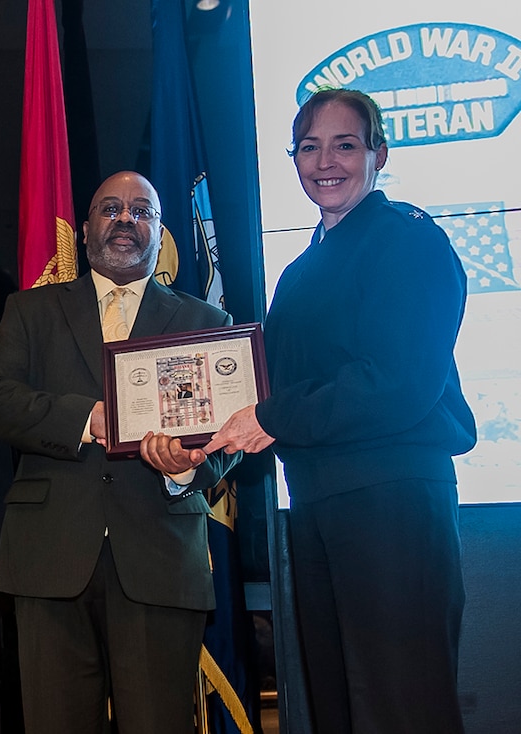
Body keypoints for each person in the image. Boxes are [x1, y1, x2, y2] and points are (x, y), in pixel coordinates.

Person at [205, 88, 476, 733]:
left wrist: (270, 418)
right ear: (293, 160)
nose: (325, 161)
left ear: (378, 153)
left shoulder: (408, 241)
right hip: (320, 508)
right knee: (335, 708)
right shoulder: (299, 272)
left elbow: (397, 382)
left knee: (401, 706)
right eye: (309, 147)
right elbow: (274, 390)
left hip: (393, 506)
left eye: (345, 145)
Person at [0, 171, 240, 734]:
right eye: (111, 209)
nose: (126, 221)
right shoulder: (30, 310)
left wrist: (184, 471)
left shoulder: (204, 322)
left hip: (160, 558)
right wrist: (86, 418)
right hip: (49, 558)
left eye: (142, 211)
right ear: (86, 227)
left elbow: (228, 434)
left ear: (160, 232)